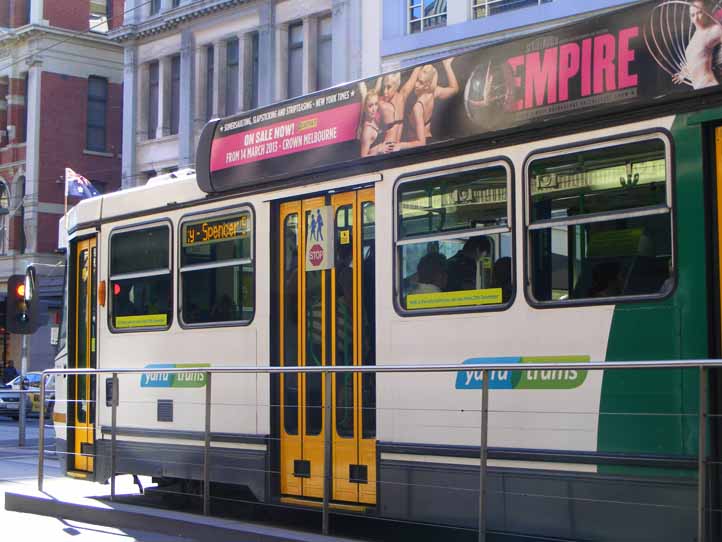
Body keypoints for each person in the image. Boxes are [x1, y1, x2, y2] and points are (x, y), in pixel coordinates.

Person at [393, 58, 459, 151]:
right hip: (430, 141)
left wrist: (400, 145)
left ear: (427, 85)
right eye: (417, 80)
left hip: (420, 146)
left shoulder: (418, 107)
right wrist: (447, 65)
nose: (416, 85)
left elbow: (421, 143)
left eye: (421, 83)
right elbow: (454, 89)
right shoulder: (434, 92)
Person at [674, 0, 722, 89]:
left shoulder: (714, 29)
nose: (696, 18)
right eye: (693, 15)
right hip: (698, 88)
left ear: (706, 12)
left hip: (709, 85)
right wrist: (684, 72)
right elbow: (697, 60)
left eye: (699, 13)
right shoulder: (695, 36)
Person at [379, 68, 420, 145]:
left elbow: (413, 76)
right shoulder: (382, 103)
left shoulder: (401, 97)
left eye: (388, 87)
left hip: (396, 148)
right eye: (384, 87)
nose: (385, 91)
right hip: (388, 149)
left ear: (396, 86)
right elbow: (370, 97)